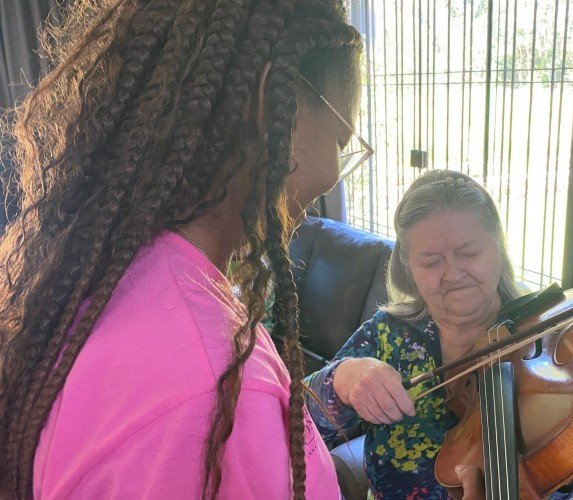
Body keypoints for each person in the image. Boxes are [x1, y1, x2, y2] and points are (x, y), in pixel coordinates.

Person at [0, 1, 365, 498]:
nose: (334, 172)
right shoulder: (212, 394)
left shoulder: (114, 273)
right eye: (342, 140)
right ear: (267, 104)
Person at [305, 169, 573, 499]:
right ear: (408, 267)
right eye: (431, 262)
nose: (453, 274)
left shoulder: (545, 334)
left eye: (469, 253)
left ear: (498, 251)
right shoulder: (388, 335)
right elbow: (296, 423)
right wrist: (343, 379)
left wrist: (554, 470)